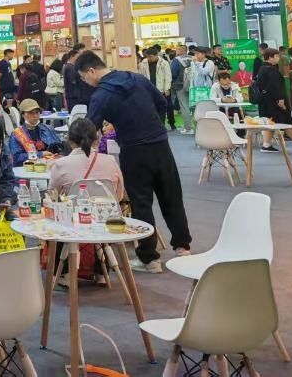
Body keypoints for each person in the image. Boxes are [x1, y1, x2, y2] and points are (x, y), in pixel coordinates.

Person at [76, 50, 192, 273]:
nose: (85, 82)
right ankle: (183, 248)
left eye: (83, 77)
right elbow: (161, 103)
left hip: (133, 150)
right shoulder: (137, 78)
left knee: (141, 204)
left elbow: (89, 128)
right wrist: (154, 126)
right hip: (161, 144)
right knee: (172, 196)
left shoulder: (101, 95)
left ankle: (150, 260)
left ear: (91, 71)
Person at [48, 117, 125, 201]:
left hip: (74, 209)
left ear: (70, 141)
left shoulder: (60, 165)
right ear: (96, 140)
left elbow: (52, 198)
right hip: (108, 208)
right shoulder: (111, 161)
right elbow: (119, 196)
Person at [255, 48, 292, 152]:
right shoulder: (271, 70)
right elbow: (277, 86)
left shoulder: (262, 68)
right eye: (276, 56)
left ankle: (266, 145)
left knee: (269, 122)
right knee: (286, 121)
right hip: (275, 102)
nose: (278, 58)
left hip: (265, 102)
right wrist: (281, 100)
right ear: (270, 57)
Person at [7, 98, 64, 166]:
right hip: (27, 169)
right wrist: (40, 154)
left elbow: (59, 148)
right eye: (31, 113)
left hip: (49, 165)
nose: (35, 116)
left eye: (37, 112)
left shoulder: (47, 129)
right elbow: (16, 158)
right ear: (23, 115)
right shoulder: (16, 134)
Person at [139, 47, 174, 130]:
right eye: (147, 57)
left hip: (161, 90)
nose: (149, 58)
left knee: (162, 109)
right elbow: (141, 76)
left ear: (156, 55)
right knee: (151, 109)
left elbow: (168, 77)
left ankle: (163, 126)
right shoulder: (143, 63)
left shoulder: (164, 63)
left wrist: (167, 89)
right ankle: (153, 126)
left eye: (150, 57)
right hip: (149, 90)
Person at [170, 48, 194, 134]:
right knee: (195, 106)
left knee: (184, 106)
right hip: (193, 86)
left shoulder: (176, 60)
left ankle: (188, 128)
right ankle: (198, 126)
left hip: (180, 85)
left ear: (179, 51)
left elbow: (173, 73)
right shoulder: (193, 58)